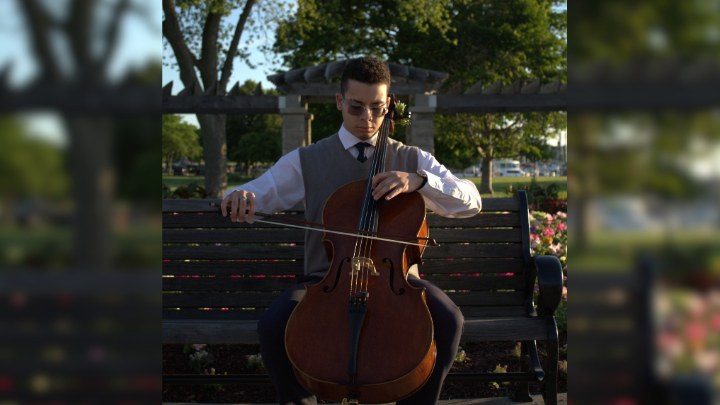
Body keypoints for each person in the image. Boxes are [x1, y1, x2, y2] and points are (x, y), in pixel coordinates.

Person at [220, 56, 482, 405]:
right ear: (339, 102)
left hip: (400, 283)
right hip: (324, 280)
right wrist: (238, 196)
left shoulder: (413, 160)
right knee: (272, 327)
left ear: (389, 105)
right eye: (356, 107)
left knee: (449, 320)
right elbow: (260, 190)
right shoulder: (307, 160)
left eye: (376, 108)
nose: (367, 118)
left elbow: (471, 201)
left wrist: (420, 182)